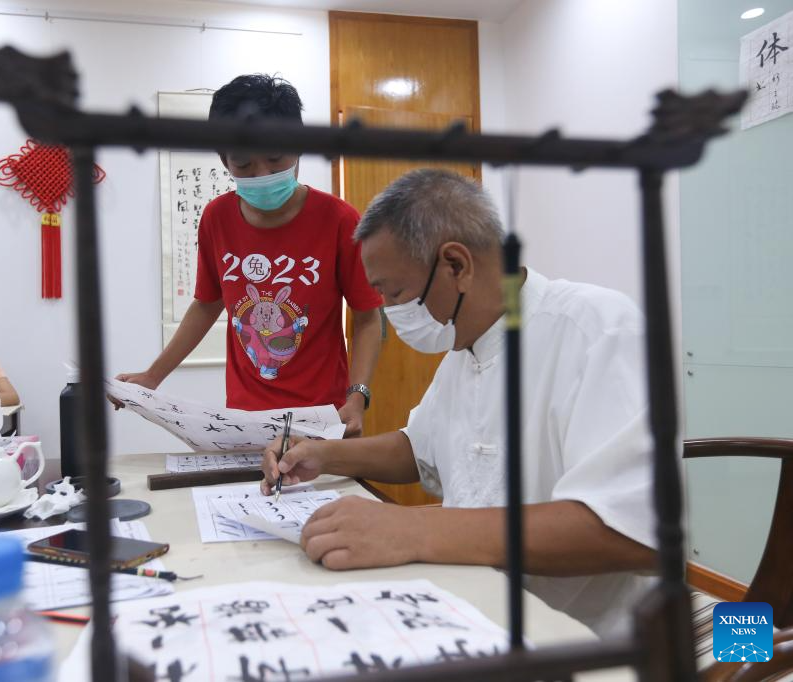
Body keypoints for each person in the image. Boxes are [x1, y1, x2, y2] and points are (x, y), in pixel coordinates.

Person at [261, 169, 659, 637]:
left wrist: (411, 530)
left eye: (394, 293)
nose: (390, 311)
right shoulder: (469, 345)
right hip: (471, 607)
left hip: (578, 634)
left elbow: (627, 530)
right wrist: (322, 454)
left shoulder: (598, 329)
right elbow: (419, 448)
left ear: (455, 265)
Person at [116, 74, 382, 436]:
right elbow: (207, 304)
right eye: (244, 165)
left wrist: (357, 395)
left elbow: (368, 317)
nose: (263, 175)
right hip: (244, 420)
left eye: (275, 159)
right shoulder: (217, 217)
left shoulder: (338, 219)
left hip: (322, 416)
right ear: (225, 161)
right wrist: (152, 376)